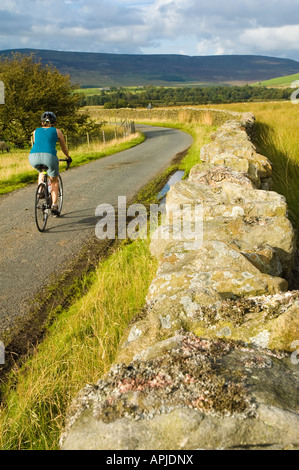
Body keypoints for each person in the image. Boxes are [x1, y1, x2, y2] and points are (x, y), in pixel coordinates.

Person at [29, 111, 72, 215]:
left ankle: (40, 191)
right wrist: (68, 157)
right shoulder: (57, 132)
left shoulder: (35, 131)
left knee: (41, 171)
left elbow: (37, 144)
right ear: (54, 122)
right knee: (54, 181)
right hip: (49, 156)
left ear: (42, 122)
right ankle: (54, 205)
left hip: (33, 157)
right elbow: (63, 147)